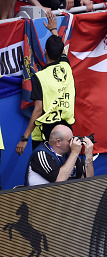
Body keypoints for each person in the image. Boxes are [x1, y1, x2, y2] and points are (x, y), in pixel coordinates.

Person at [17, 13, 75, 155]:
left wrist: (24, 138)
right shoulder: (66, 67)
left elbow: (38, 110)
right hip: (66, 132)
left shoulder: (39, 77)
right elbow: (61, 51)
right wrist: (54, 30)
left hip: (45, 135)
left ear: (45, 52)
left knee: (46, 173)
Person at [25, 124, 94, 186]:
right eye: (70, 140)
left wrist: (89, 157)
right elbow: (59, 180)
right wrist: (74, 153)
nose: (73, 143)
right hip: (40, 197)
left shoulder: (70, 154)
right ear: (58, 142)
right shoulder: (41, 154)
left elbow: (87, 181)